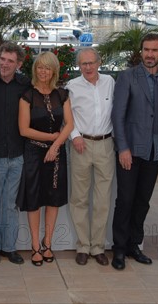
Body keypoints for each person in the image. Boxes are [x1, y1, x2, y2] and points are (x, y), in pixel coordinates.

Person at [111, 32, 158, 270]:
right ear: (141, 51)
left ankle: (133, 245)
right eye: (146, 50)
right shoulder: (128, 77)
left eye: (154, 50)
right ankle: (118, 248)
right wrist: (123, 148)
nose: (150, 54)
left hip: (155, 150)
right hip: (130, 151)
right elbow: (118, 115)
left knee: (143, 202)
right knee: (125, 200)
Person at [17, 51, 74, 266]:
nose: (43, 71)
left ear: (54, 71)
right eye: (40, 67)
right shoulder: (27, 96)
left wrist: (56, 145)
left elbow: (69, 124)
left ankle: (47, 242)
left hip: (56, 154)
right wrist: (51, 138)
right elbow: (24, 129)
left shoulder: (63, 94)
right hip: (33, 153)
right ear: (35, 69)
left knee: (53, 199)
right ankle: (34, 245)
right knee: (34, 199)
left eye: (47, 67)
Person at [65, 47, 115, 266]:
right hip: (80, 145)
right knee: (79, 198)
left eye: (91, 63)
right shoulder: (72, 87)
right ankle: (83, 246)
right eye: (84, 64)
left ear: (99, 62)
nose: (88, 67)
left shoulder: (110, 82)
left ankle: (98, 247)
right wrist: (74, 136)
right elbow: (67, 117)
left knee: (103, 199)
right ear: (79, 65)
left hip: (105, 144)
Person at [0, 42, 30, 265]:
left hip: (17, 154)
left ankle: (9, 248)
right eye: (2, 59)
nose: (4, 64)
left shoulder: (25, 85)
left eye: (10, 61)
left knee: (11, 205)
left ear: (18, 64)